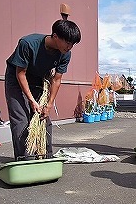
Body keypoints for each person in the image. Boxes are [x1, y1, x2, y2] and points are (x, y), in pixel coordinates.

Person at [5, 19, 81, 160]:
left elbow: (57, 79)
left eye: (73, 44)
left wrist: (49, 103)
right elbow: (20, 73)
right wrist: (32, 100)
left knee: (43, 119)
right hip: (17, 78)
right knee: (21, 120)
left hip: (39, 79)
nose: (70, 47)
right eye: (68, 42)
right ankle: (25, 160)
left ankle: (45, 157)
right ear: (55, 36)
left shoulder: (65, 54)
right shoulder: (28, 44)